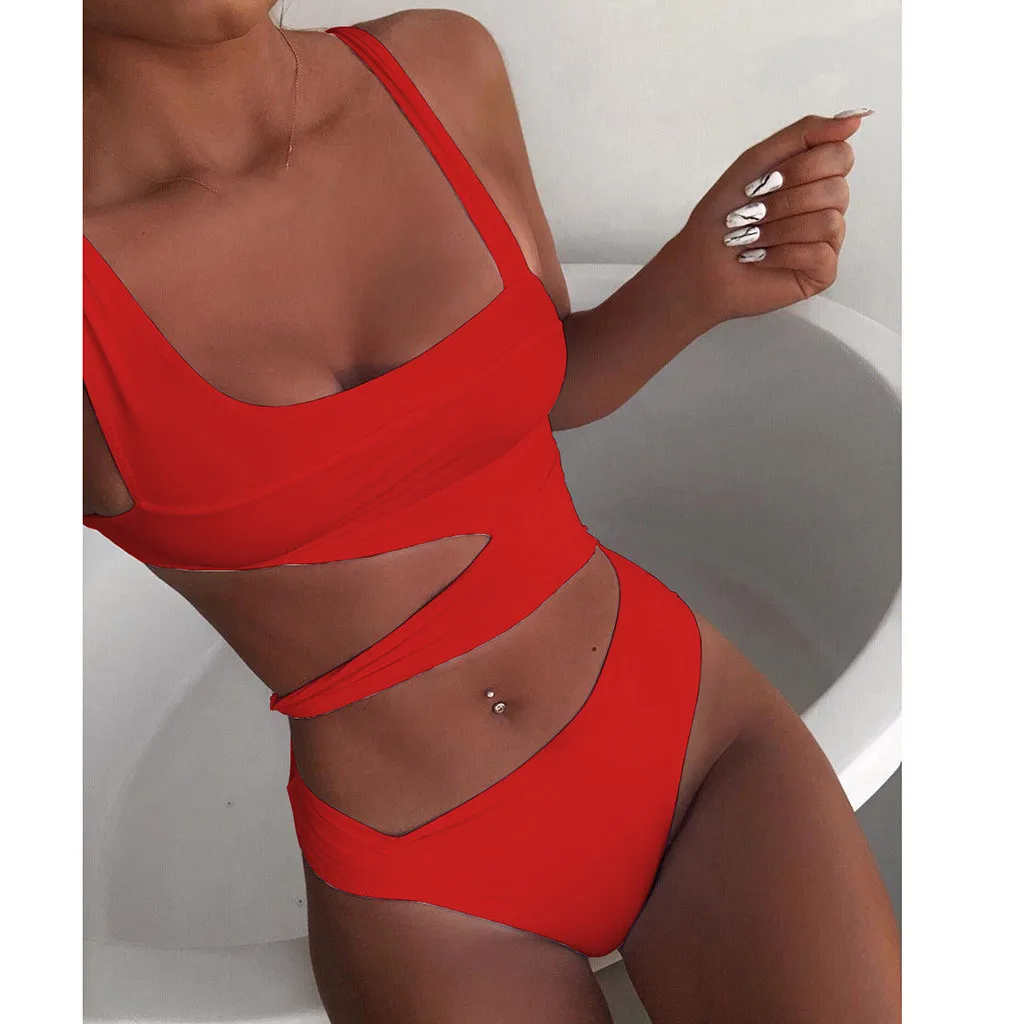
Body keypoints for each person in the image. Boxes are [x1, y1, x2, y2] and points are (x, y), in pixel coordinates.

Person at [83, 4, 900, 1022]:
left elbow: (541, 391)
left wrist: (695, 283)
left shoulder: (440, 67)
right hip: (427, 894)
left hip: (695, 748)